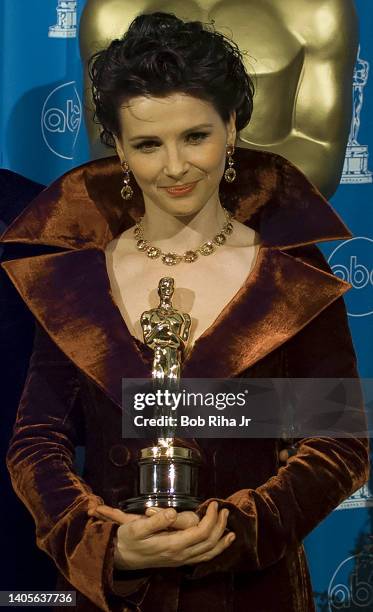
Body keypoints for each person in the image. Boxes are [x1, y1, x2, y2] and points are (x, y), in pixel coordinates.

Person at [0, 12, 369, 612]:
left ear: (232, 128)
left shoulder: (293, 272)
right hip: (118, 595)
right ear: (118, 148)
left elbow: (340, 440)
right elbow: (37, 442)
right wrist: (108, 543)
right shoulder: (75, 277)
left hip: (255, 593)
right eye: (148, 143)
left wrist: (233, 531)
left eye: (195, 136)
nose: (174, 168)